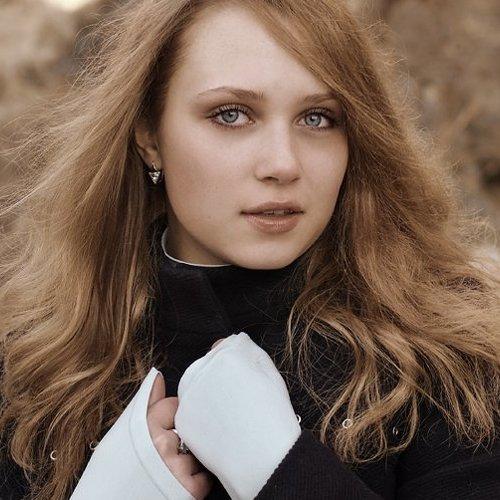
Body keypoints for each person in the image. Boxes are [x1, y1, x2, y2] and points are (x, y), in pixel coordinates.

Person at [0, 0, 499, 499]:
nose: (283, 164)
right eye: (232, 114)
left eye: (317, 118)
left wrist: (283, 470)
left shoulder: (455, 360)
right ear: (150, 135)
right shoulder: (34, 368)